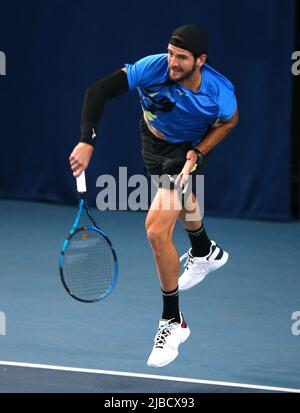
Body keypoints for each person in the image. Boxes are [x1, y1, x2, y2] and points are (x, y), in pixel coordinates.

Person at [69, 24, 238, 368]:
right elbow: (97, 91)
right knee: (181, 196)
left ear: (200, 61)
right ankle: (205, 250)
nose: (172, 62)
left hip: (185, 148)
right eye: (171, 53)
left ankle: (173, 321)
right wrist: (87, 139)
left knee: (156, 231)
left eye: (182, 58)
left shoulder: (220, 92)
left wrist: (199, 152)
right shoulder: (153, 66)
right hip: (152, 141)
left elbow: (229, 122)